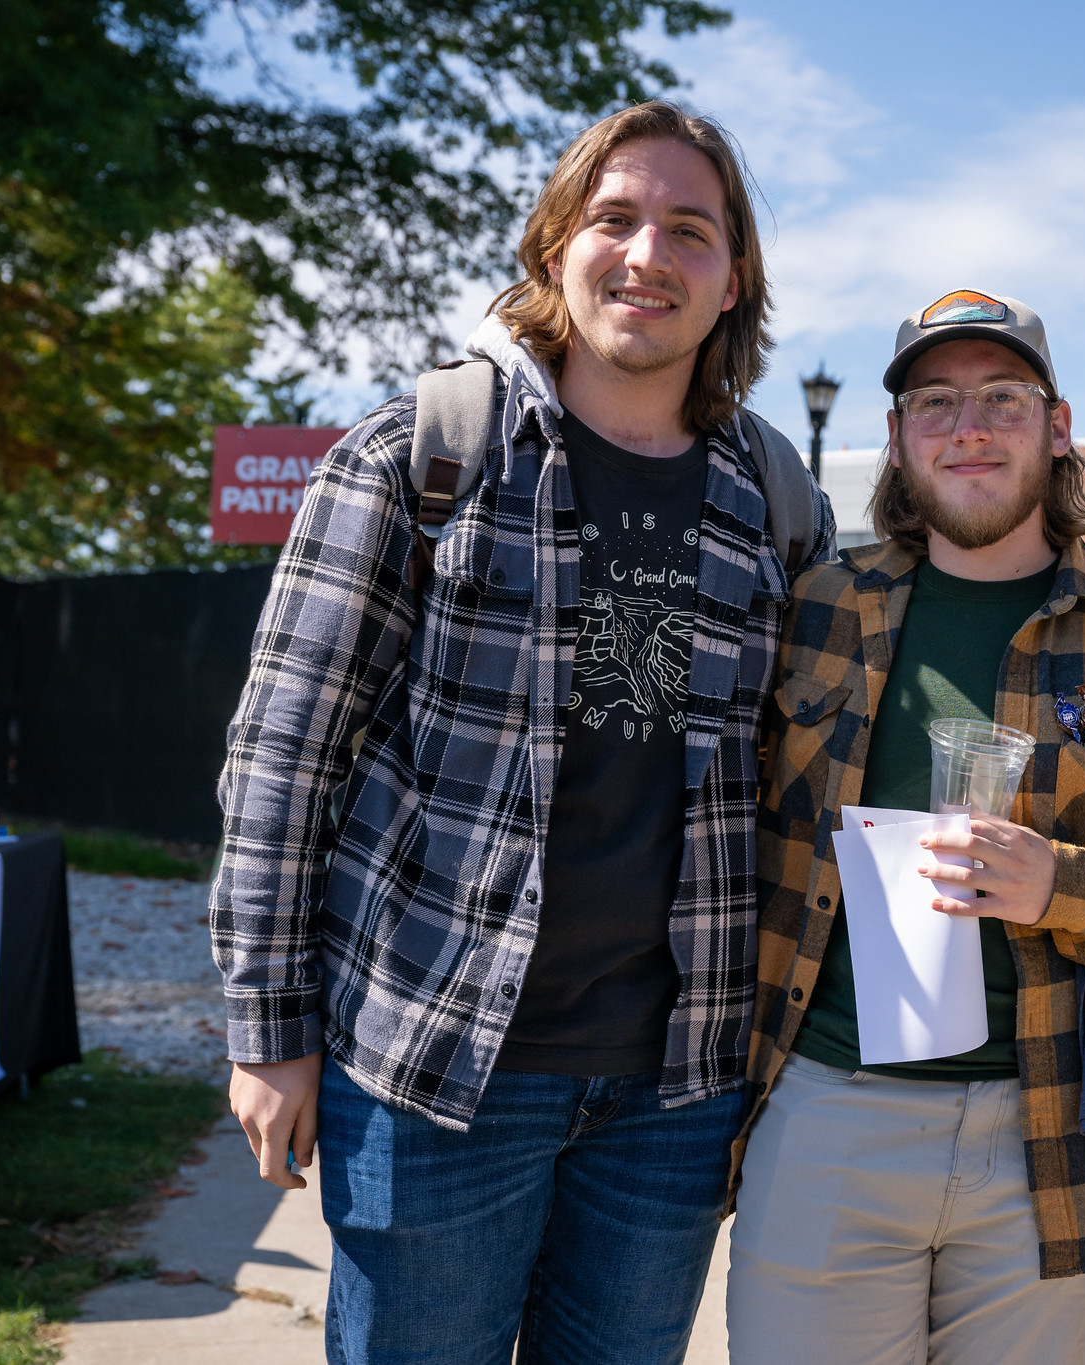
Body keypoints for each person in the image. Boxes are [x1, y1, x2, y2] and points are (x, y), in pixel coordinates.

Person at [210, 101, 831, 1363]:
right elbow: (283, 756)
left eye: (689, 231)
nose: (647, 253)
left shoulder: (773, 500)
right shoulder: (418, 454)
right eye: (614, 219)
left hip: (673, 1087)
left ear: (731, 285)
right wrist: (269, 1033)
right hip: (437, 1067)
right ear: (554, 249)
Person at [728, 290, 1085, 1363]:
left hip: (1045, 1135)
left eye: (1003, 399)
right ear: (898, 439)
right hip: (828, 1112)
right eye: (936, 402)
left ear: (1057, 428)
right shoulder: (817, 607)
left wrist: (1065, 888)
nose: (969, 428)